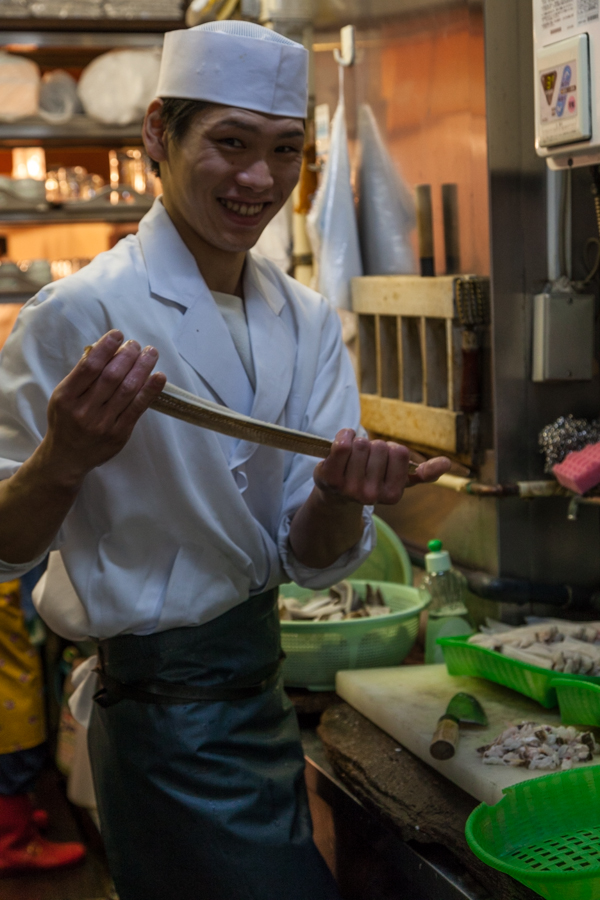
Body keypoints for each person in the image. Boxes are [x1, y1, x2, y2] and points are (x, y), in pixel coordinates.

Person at [0, 21, 450, 900]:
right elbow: (5, 549)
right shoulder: (79, 314)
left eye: (285, 150)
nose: (260, 180)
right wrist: (64, 459)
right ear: (156, 134)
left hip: (261, 702)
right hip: (158, 723)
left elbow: (308, 558)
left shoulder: (308, 321)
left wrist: (340, 498)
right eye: (231, 143)